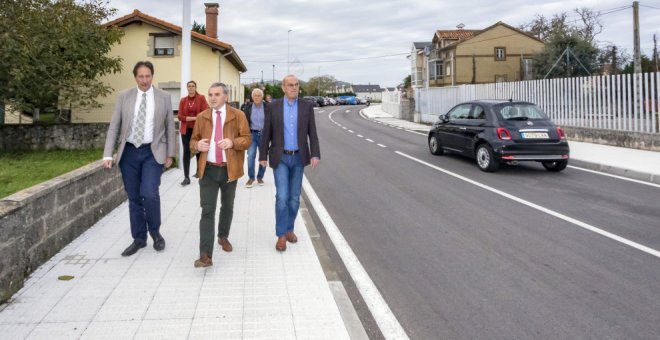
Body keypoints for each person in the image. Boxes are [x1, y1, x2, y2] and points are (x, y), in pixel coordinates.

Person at [103, 61, 176, 257]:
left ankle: (155, 232)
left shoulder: (164, 97)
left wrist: (170, 154)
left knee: (150, 194)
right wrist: (108, 154)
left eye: (148, 76)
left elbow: (170, 127)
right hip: (128, 153)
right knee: (134, 197)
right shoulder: (124, 97)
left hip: (153, 152)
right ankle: (139, 238)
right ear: (135, 77)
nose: (144, 80)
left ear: (153, 76)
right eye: (140, 76)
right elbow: (114, 125)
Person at [189, 82, 251, 267]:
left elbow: (247, 139)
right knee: (207, 210)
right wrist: (197, 146)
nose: (213, 98)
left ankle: (223, 236)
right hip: (207, 170)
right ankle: (205, 255)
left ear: (225, 96)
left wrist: (232, 143)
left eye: (217, 94)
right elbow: (193, 141)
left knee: (227, 206)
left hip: (228, 169)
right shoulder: (202, 117)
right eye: (210, 94)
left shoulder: (237, 115)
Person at [259, 75, 320, 251]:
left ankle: (289, 229)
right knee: (282, 197)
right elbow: (266, 133)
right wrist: (262, 155)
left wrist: (315, 153)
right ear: (283, 88)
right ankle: (281, 235)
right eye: (290, 85)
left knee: (294, 199)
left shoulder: (307, 106)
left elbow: (312, 132)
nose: (294, 88)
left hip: (299, 157)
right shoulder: (273, 107)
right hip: (281, 157)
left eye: (296, 85)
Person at [177, 80, 209, 185]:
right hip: (186, 130)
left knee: (199, 151)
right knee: (186, 151)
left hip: (198, 129)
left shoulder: (201, 98)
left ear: (195, 87)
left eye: (193, 86)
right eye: (189, 86)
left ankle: (200, 173)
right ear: (187, 88)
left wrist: (189, 118)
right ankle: (186, 177)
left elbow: (205, 112)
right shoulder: (183, 100)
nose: (191, 88)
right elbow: (180, 116)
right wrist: (194, 118)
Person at [243, 88, 268, 188]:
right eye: (255, 95)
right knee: (251, 156)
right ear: (252, 97)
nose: (257, 97)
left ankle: (260, 177)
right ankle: (251, 178)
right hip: (252, 134)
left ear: (262, 97)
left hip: (264, 135)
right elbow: (244, 123)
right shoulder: (247, 108)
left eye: (259, 95)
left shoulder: (267, 107)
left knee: (263, 156)